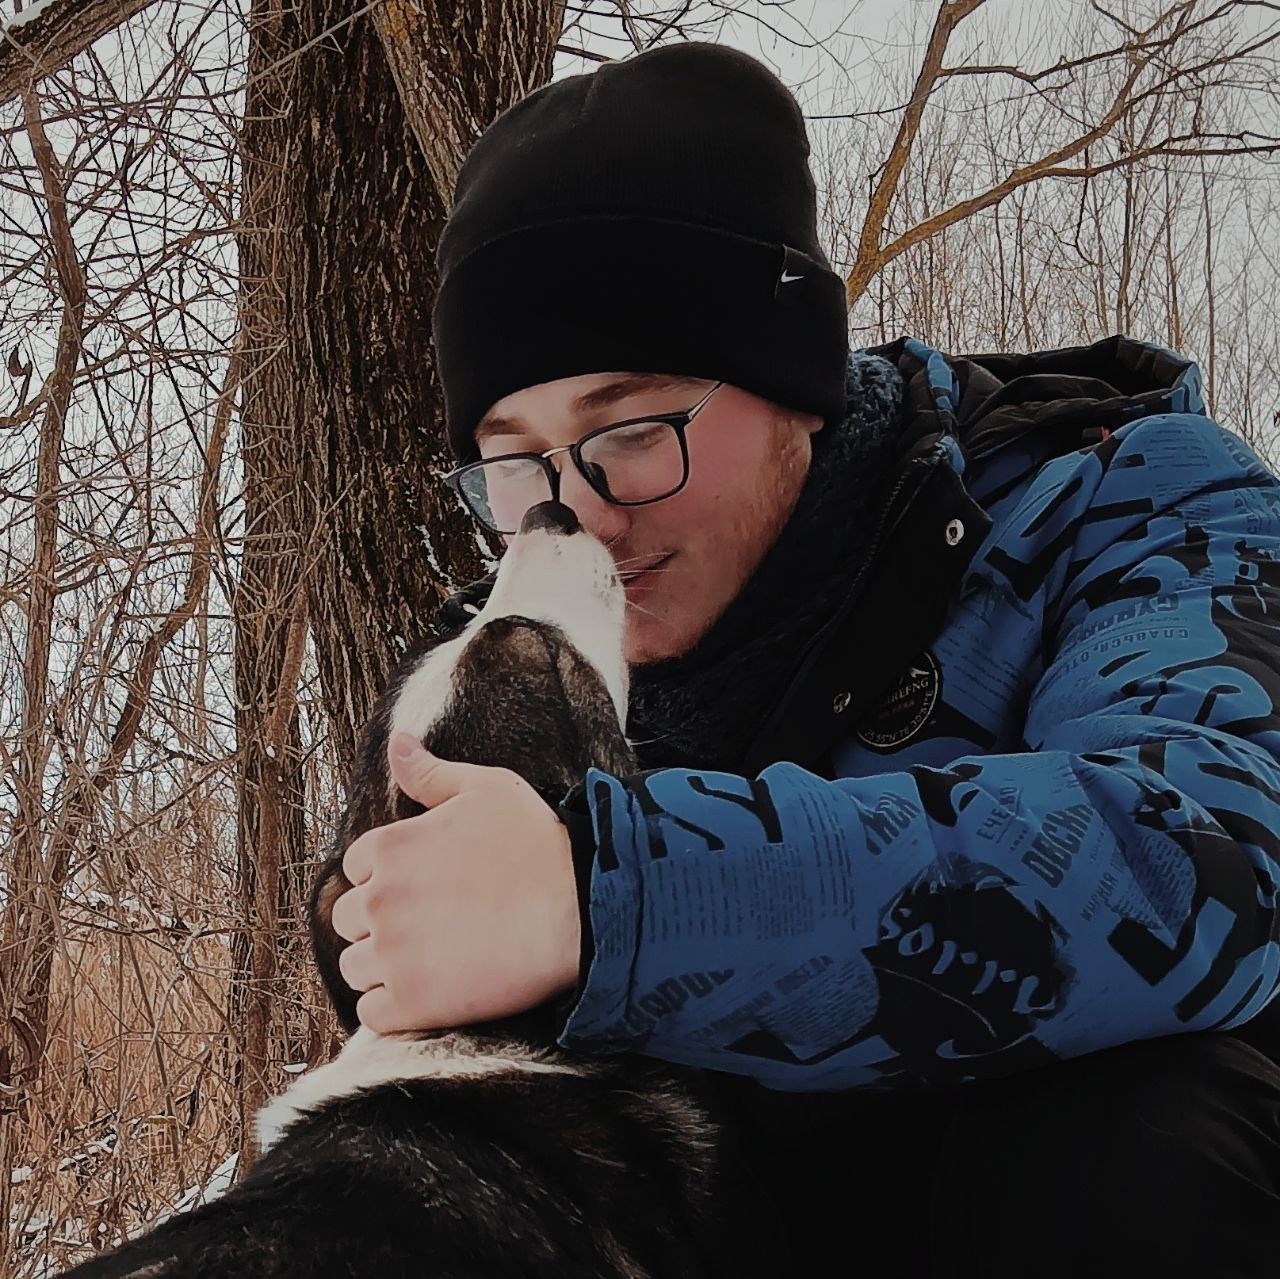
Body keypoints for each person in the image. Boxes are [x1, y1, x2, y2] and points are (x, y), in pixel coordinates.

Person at [329, 41, 1280, 1276]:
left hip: (1061, 1200)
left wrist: (618, 897)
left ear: (796, 385)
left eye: (629, 429)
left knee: (1130, 1144)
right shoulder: (530, 633)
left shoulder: (1121, 498)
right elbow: (378, 935)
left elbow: (1202, 860)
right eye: (516, 464)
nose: (582, 513)